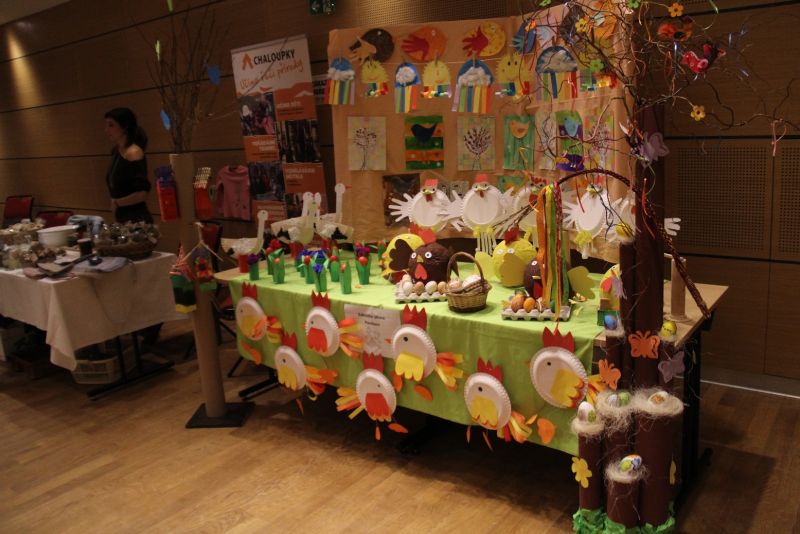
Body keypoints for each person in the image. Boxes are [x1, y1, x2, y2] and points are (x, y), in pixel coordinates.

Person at [104, 108, 153, 224]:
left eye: (111, 125)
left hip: (137, 221)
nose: (106, 130)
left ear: (124, 127)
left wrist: (117, 203)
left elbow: (142, 193)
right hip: (123, 219)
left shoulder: (134, 153)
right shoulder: (116, 151)